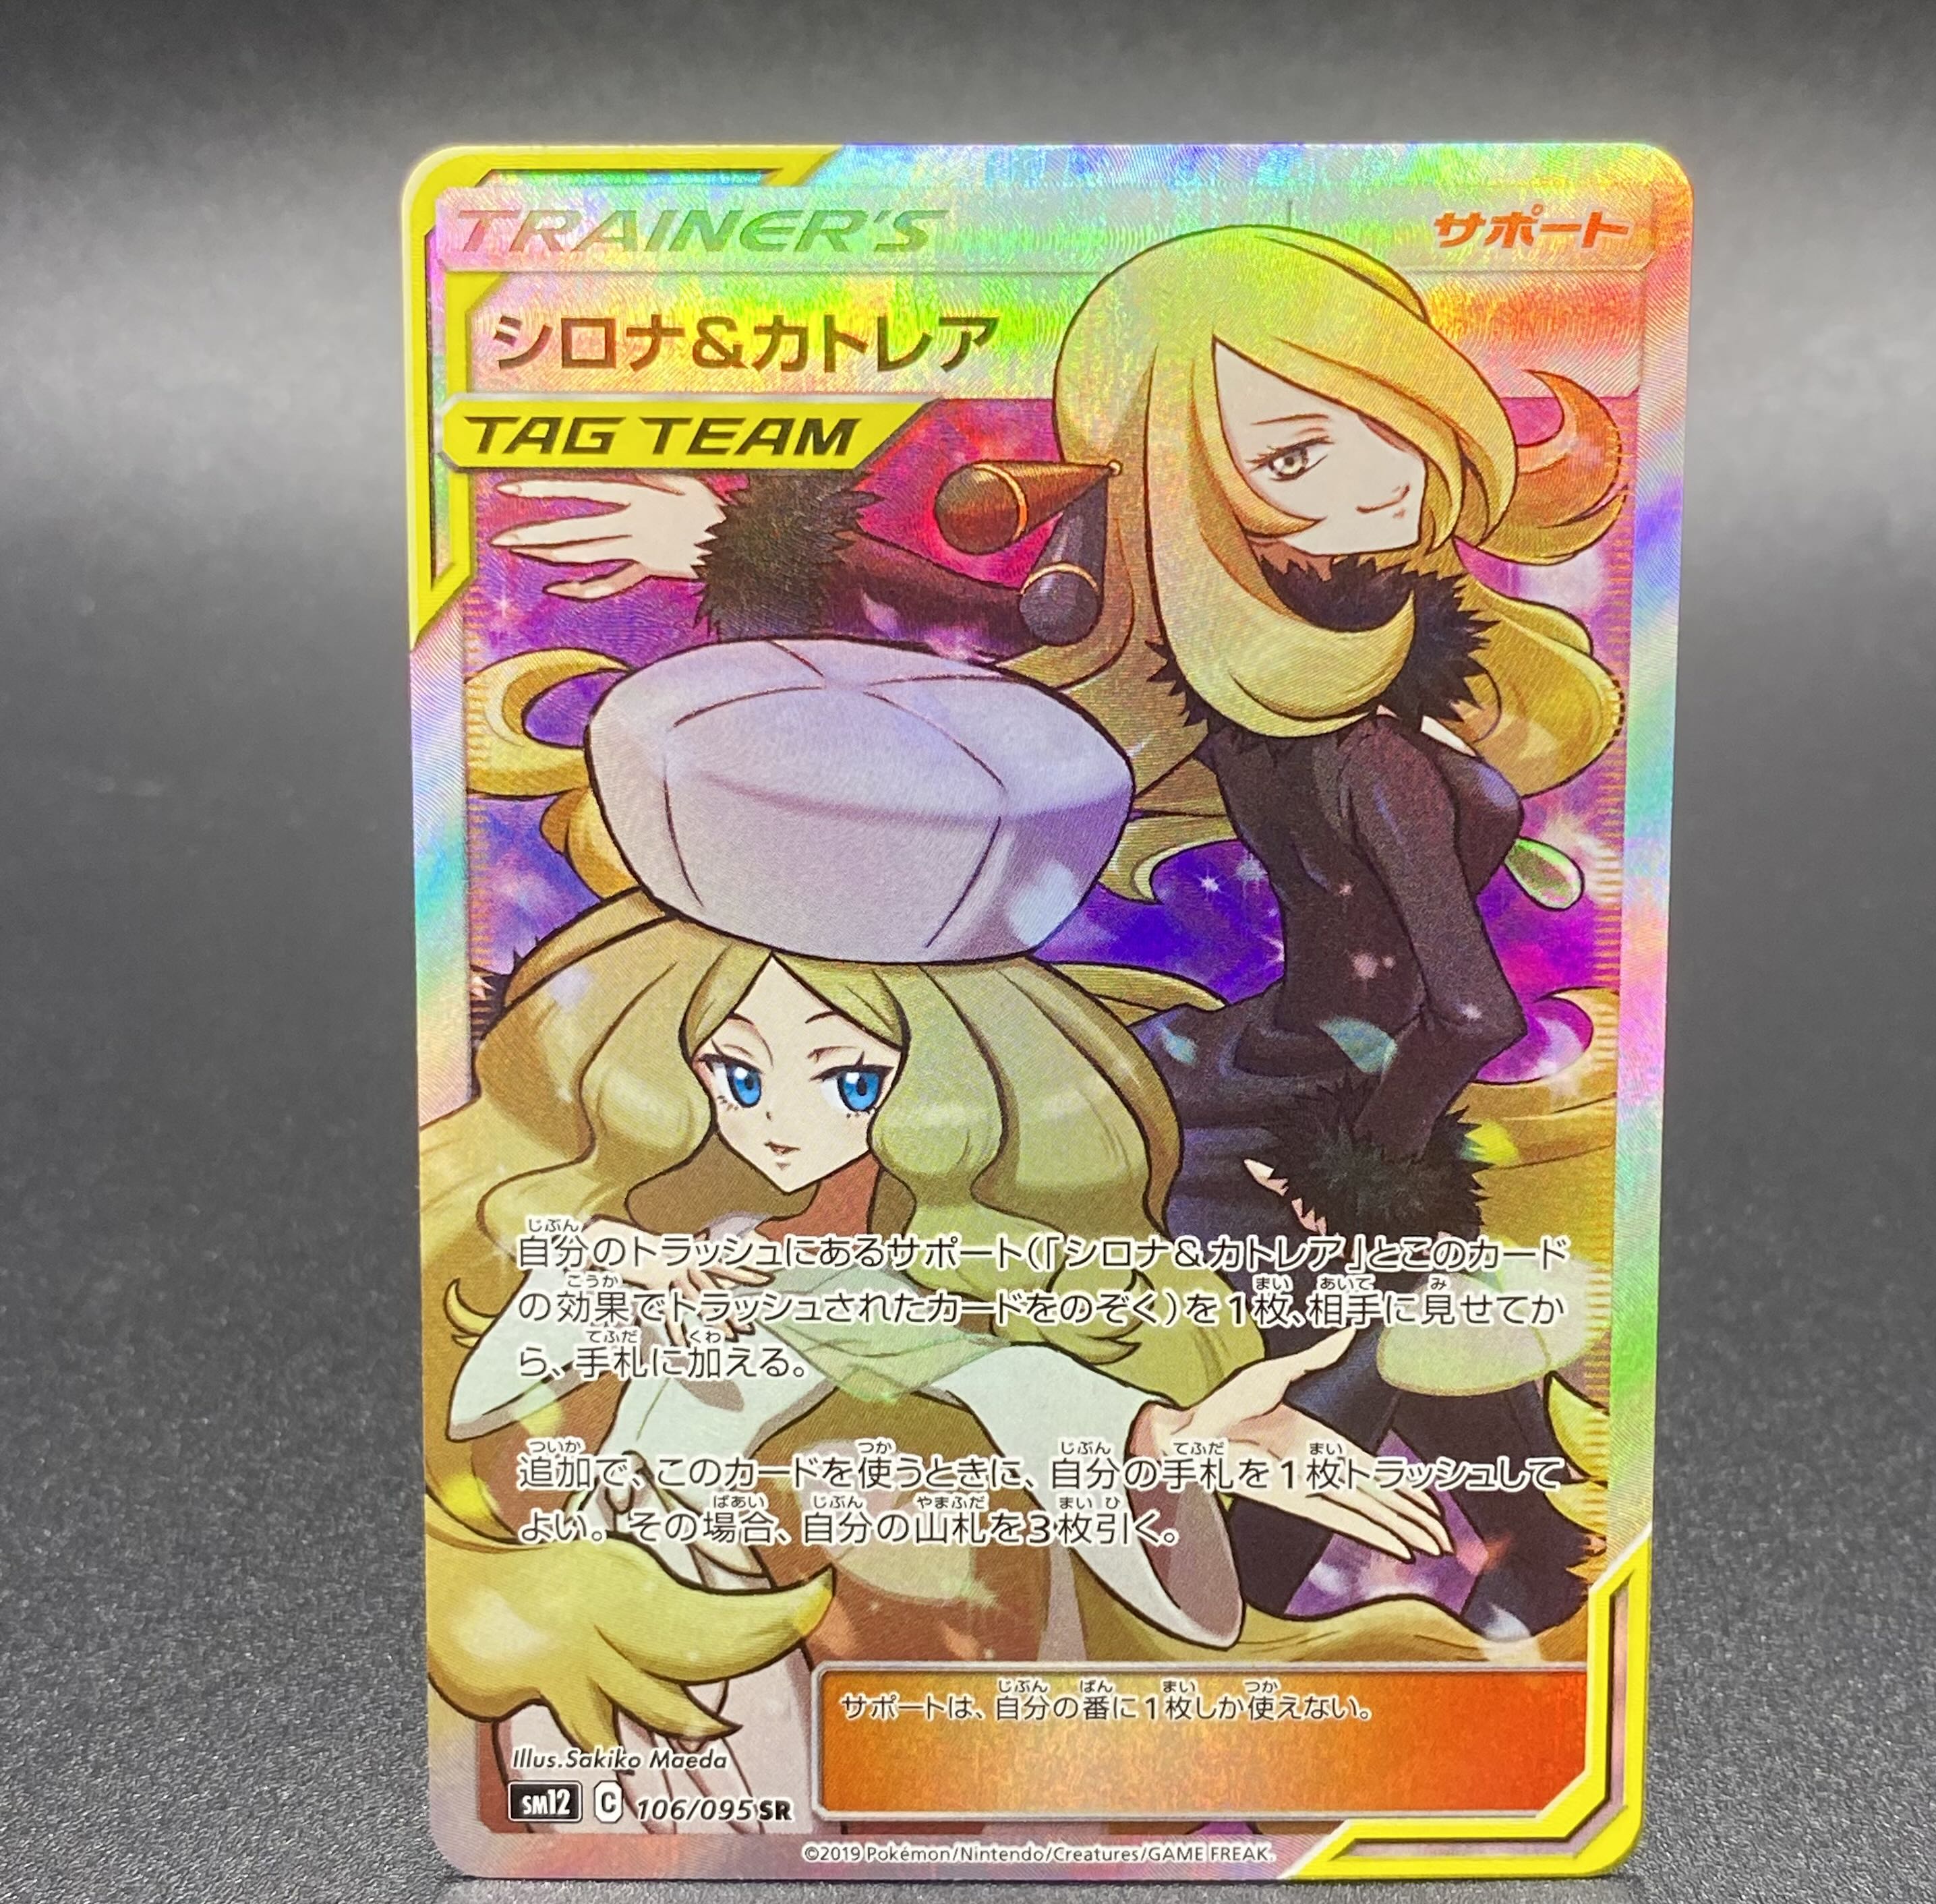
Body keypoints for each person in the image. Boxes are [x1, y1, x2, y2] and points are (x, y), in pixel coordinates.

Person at [486, 225, 1622, 1635]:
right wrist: (729, 541)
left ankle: (1479, 1578)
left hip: (1331, 1113)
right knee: (1324, 1352)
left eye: (1384, 421)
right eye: (1290, 458)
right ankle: (1438, 1579)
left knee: (1350, 1363)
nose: (1377, 477)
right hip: (1275, 1095)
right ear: (1192, 489)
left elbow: (1474, 1012)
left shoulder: (1366, 732)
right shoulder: (1246, 671)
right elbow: (1012, 613)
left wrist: (1371, 1173)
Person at [428, 636, 1479, 1830]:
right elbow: (489, 1386)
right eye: (736, 1073)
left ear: (957, 1084)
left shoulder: (911, 1274)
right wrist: (622, 1276)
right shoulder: (648, 1232)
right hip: (623, 1672)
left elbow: (988, 1367)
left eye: (850, 1081)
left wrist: (1171, 1438)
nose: (779, 1123)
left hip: (799, 1691)